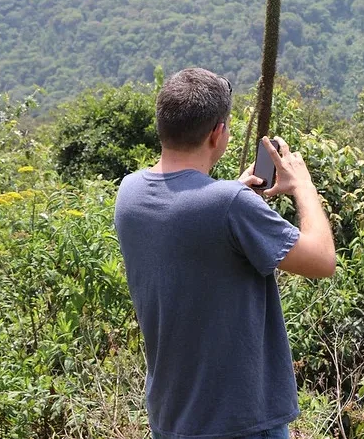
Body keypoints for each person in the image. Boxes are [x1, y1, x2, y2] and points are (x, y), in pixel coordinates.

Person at [114, 68, 336, 439]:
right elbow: (322, 260)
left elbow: (185, 213)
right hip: (239, 421)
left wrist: (230, 192)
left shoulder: (130, 193)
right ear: (218, 134)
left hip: (172, 418)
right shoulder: (228, 205)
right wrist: (302, 185)